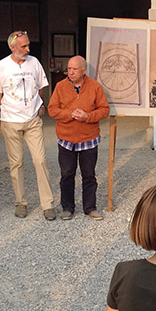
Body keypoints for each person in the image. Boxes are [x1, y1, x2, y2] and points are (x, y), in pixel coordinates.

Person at [0, 31, 56, 220]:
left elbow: (41, 86)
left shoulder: (34, 62)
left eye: (28, 45)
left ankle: (47, 204)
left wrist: (37, 106)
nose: (28, 49)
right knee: (16, 163)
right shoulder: (1, 66)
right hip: (11, 121)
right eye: (23, 46)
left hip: (33, 120)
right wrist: (8, 110)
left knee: (40, 160)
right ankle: (21, 202)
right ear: (12, 47)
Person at [48, 55, 111, 221]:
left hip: (88, 139)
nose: (71, 72)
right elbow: (52, 109)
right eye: (69, 69)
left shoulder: (95, 87)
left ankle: (90, 207)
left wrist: (87, 116)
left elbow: (105, 110)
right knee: (67, 174)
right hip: (66, 138)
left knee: (89, 174)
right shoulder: (60, 86)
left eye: (75, 69)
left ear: (84, 70)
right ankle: (67, 207)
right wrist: (69, 114)